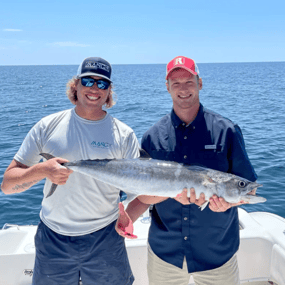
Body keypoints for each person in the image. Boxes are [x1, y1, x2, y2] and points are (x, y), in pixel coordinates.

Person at [117, 56, 258, 285]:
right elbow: (144, 195)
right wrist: (129, 217)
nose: (183, 89)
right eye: (176, 83)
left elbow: (247, 188)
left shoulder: (227, 131)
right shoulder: (152, 136)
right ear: (167, 87)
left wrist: (229, 203)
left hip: (217, 253)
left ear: (199, 83)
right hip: (165, 254)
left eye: (189, 81)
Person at [1, 57, 140, 285]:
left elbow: (137, 188)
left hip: (105, 236)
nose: (95, 88)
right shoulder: (47, 126)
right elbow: (7, 185)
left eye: (102, 84)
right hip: (53, 238)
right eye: (88, 81)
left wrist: (129, 215)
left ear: (109, 92)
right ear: (75, 85)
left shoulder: (124, 134)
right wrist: (42, 170)